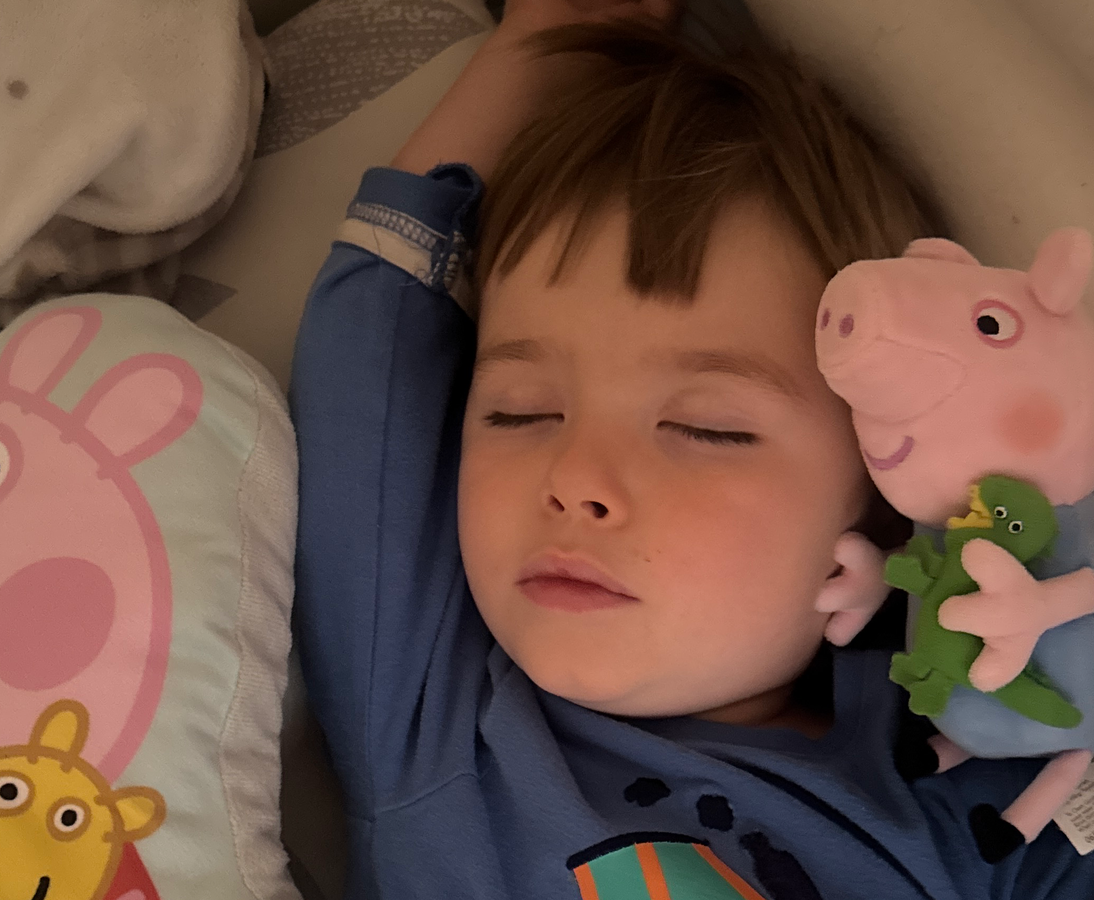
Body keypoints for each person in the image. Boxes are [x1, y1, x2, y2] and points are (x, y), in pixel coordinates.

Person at [290, 1, 1094, 896]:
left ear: (880, 505)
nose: (577, 480)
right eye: (521, 412)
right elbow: (373, 348)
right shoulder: (433, 719)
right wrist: (550, 36)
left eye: (706, 429)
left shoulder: (991, 796)